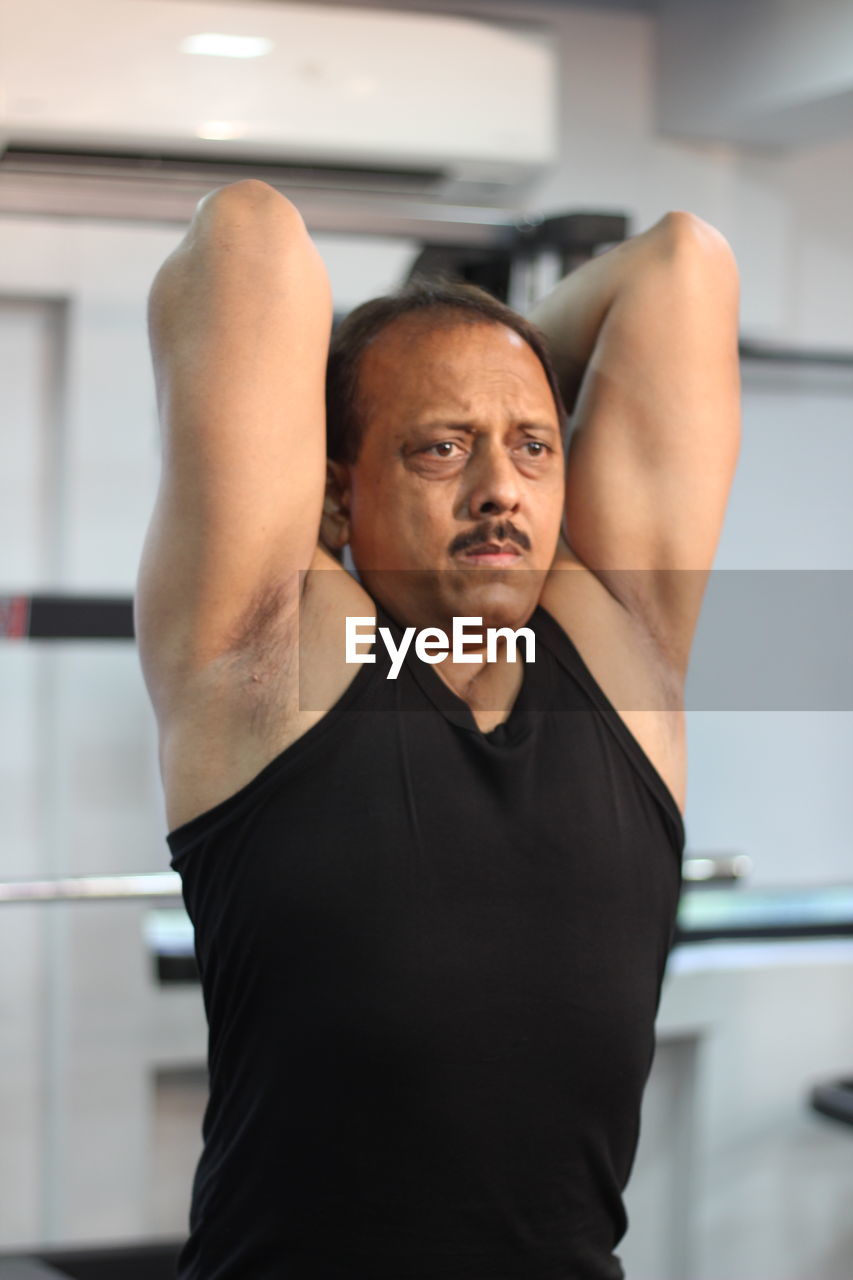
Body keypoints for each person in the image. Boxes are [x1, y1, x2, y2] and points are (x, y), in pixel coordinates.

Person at [135, 179, 740, 1279]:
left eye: (534, 447)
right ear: (332, 496)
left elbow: (682, 265)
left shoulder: (620, 644)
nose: (502, 489)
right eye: (441, 449)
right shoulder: (268, 660)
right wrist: (440, 351)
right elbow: (245, 241)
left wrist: (473, 344)